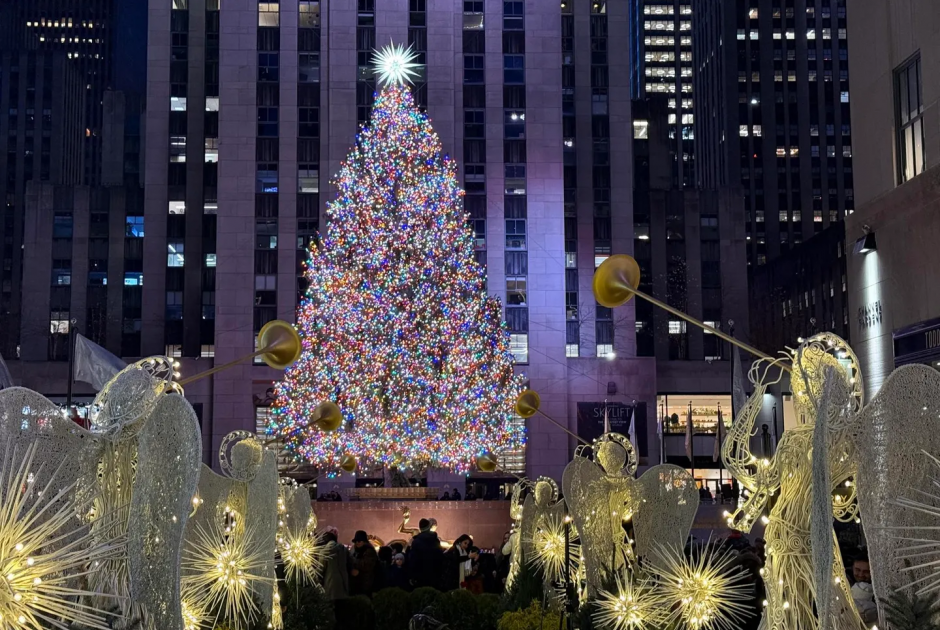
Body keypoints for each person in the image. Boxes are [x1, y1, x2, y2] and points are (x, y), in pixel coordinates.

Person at [408, 518, 444, 589]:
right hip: (435, 574)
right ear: (429, 527)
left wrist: (412, 575)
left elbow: (413, 560)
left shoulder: (416, 542)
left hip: (421, 575)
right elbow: (440, 557)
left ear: (420, 528)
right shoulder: (436, 540)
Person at [320, 527, 349, 600]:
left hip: (330, 586)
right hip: (343, 584)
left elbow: (320, 570)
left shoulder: (324, 552)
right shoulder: (344, 550)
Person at [851, 552, 878, 625]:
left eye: (866, 572)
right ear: (853, 568)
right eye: (857, 570)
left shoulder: (878, 592)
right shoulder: (845, 583)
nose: (860, 575)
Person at [349, 530, 379, 596]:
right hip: (358, 582)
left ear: (364, 541)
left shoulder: (369, 550)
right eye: (355, 541)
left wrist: (353, 560)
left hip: (365, 582)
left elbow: (366, 565)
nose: (357, 543)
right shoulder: (356, 550)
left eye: (359, 541)